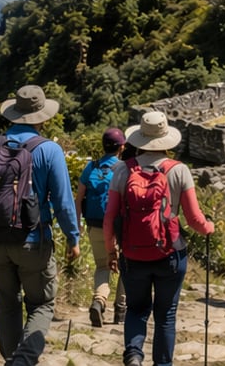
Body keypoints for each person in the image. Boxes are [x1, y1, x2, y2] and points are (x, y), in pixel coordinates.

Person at [0, 84, 81, 366]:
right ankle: (23, 361)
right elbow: (64, 202)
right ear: (42, 116)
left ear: (13, 113)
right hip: (33, 241)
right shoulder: (49, 150)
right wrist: (72, 238)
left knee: (7, 301)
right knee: (41, 304)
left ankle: (11, 359)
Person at [105, 111, 215, 366]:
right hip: (170, 254)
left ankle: (133, 354)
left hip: (132, 254)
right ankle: (162, 364)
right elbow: (195, 219)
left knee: (136, 309)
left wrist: (112, 252)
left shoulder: (122, 170)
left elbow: (110, 217)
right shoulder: (179, 171)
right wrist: (209, 227)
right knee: (166, 314)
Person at [77, 126, 128, 327]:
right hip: (120, 227)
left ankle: (99, 301)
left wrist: (78, 225)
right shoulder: (124, 168)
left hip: (95, 225)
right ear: (121, 147)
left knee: (102, 266)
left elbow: (79, 198)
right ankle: (121, 311)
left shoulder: (91, 167)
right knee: (125, 267)